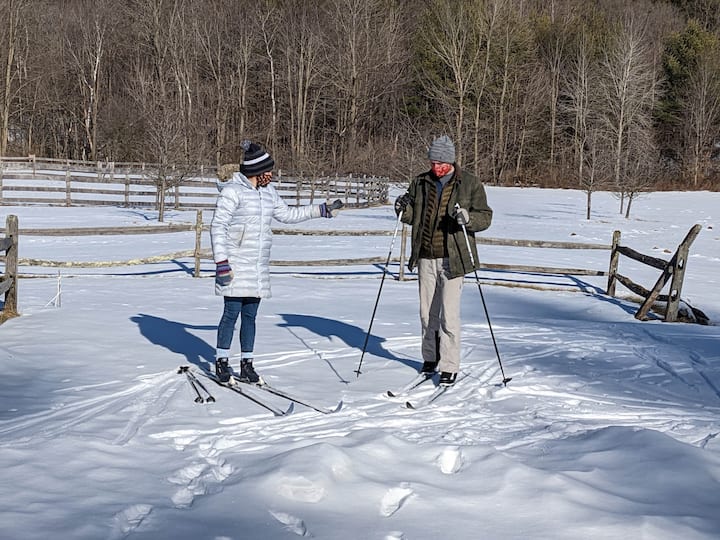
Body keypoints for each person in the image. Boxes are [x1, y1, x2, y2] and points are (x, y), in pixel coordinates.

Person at [211, 140, 342, 384]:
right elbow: (218, 226)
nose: (271, 175)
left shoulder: (269, 193)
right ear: (256, 171)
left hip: (257, 266)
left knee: (250, 316)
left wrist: (320, 210)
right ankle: (221, 362)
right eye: (268, 171)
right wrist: (222, 262)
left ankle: (247, 364)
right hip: (235, 264)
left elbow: (288, 214)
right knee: (231, 314)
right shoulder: (232, 192)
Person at [394, 135, 492, 386]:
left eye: (440, 163)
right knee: (427, 314)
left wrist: (468, 218)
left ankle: (449, 365)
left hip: (453, 259)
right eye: (432, 162)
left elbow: (485, 217)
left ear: (450, 162)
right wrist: (401, 208)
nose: (435, 167)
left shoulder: (469, 183)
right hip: (426, 256)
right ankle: (430, 357)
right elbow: (411, 215)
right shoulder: (420, 182)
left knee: (449, 315)